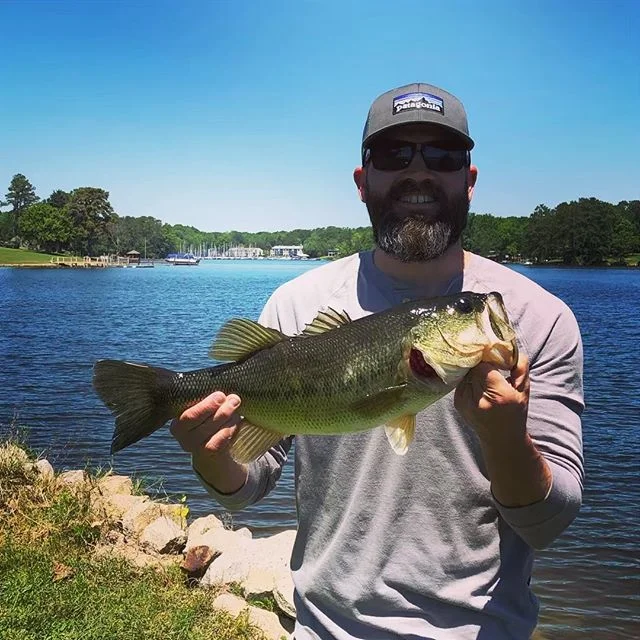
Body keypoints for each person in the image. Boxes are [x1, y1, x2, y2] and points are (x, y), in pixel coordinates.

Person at [171, 82, 584, 640]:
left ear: (470, 179)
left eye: (442, 156)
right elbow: (251, 480)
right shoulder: (297, 305)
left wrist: (505, 439)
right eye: (394, 155)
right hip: (324, 629)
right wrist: (211, 456)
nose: (419, 173)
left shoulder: (538, 318)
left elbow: (549, 524)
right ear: (363, 182)